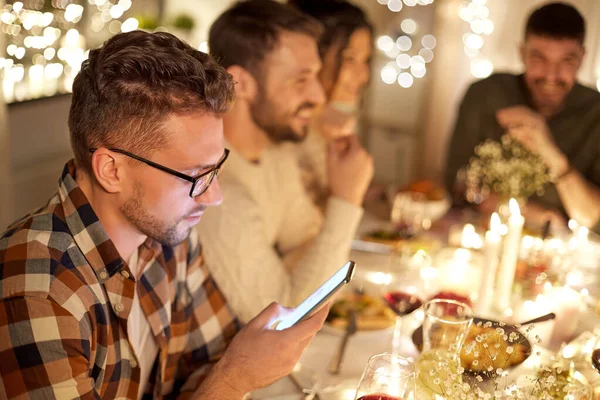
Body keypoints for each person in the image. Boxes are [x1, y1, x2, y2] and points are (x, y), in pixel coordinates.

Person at [0, 30, 328, 400]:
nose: (214, 197)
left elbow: (208, 364)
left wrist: (231, 371)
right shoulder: (38, 290)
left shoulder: (171, 236)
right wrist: (236, 379)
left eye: (215, 169)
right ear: (111, 170)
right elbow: (225, 374)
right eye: (194, 176)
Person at [197, 0, 374, 323]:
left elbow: (307, 241)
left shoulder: (275, 153)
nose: (320, 96)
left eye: (317, 77)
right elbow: (286, 321)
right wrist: (346, 199)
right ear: (242, 83)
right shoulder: (217, 191)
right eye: (300, 79)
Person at [445, 2, 600, 231]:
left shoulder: (596, 112)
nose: (551, 75)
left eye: (566, 61)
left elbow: (594, 218)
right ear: (522, 53)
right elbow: (458, 186)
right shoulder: (485, 95)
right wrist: (539, 215)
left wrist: (548, 150)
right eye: (540, 58)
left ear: (582, 58)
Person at [288, 0, 374, 207]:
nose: (364, 76)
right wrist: (347, 199)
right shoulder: (285, 134)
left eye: (366, 60)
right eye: (350, 59)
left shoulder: (333, 131)